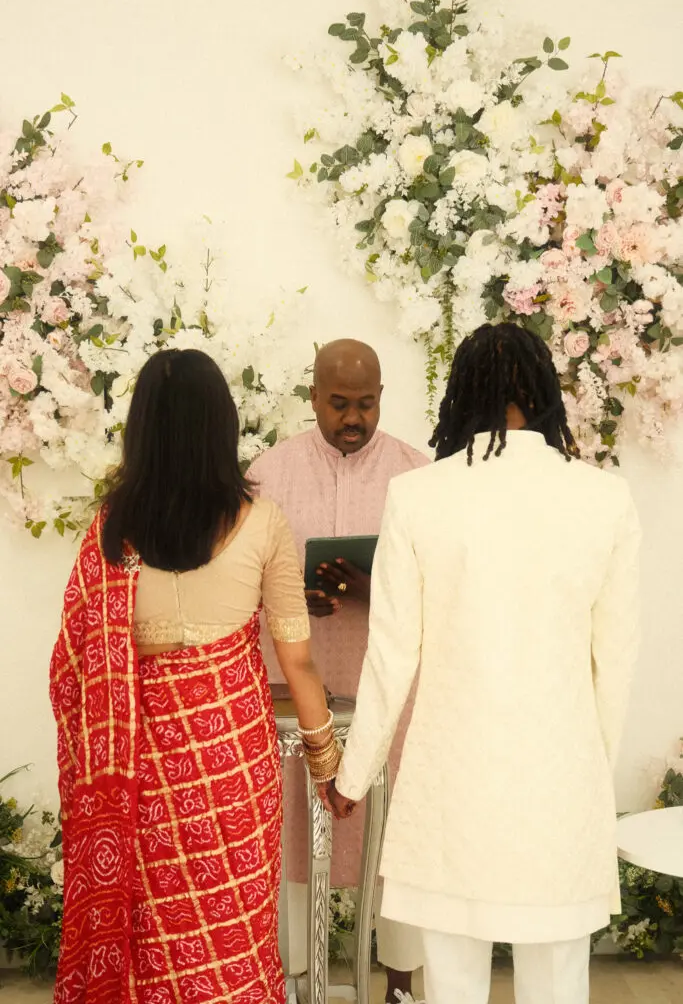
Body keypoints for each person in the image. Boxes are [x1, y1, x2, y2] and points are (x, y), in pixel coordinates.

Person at [329, 323, 641, 1004]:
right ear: (545, 392)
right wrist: (594, 769)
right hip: (559, 781)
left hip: (452, 784)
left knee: (452, 982)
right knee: (557, 979)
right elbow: (613, 661)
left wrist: (352, 775)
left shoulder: (418, 496)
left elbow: (391, 654)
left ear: (459, 393)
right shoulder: (603, 499)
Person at [49, 348, 339, 1004]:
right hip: (232, 767)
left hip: (139, 772)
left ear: (141, 428)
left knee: (152, 940)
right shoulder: (263, 524)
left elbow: (73, 671)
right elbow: (296, 659)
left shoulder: (109, 533)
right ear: (222, 426)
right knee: (231, 937)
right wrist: (326, 763)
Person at [247, 339, 428, 1001]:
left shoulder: (417, 475)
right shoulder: (267, 474)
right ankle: (295, 981)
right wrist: (297, 595)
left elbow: (442, 589)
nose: (352, 417)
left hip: (391, 694)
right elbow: (243, 580)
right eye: (338, 404)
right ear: (312, 396)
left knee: (399, 851)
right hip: (299, 695)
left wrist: (368, 589)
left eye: (366, 404)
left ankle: (402, 985)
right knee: (294, 840)